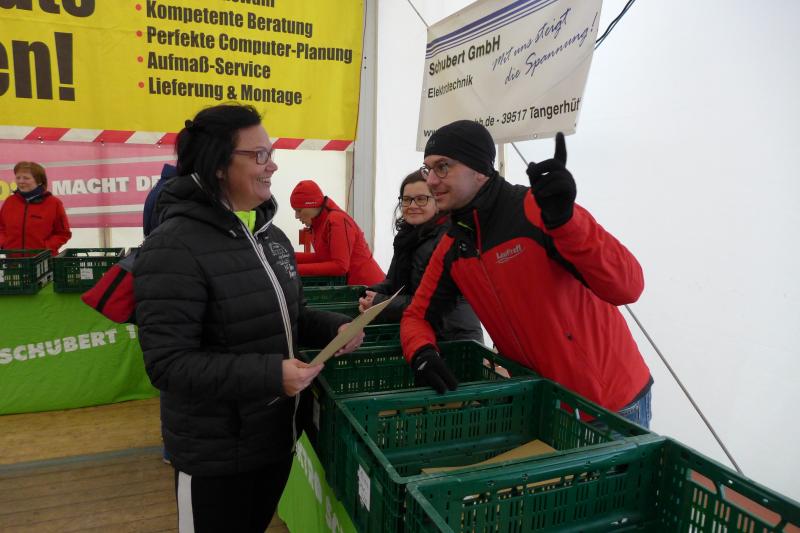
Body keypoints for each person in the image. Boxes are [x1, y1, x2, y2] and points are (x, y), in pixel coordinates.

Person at [133, 103, 364, 532]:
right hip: (215, 456)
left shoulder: (270, 236)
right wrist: (272, 374)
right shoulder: (172, 247)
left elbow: (291, 317)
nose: (272, 165)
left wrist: (336, 326)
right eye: (259, 155)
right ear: (219, 164)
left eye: (270, 153)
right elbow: (168, 364)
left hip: (274, 438)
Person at [401, 120, 653, 428]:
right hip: (542, 404)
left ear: (479, 169)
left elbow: (628, 287)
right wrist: (421, 353)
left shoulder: (538, 209)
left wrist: (567, 222)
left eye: (443, 167)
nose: (431, 181)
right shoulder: (453, 246)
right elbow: (416, 316)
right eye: (428, 169)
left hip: (611, 404)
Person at [359, 170, 483, 343]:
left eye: (421, 199)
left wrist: (381, 303)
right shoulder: (406, 238)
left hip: (453, 337)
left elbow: (433, 302)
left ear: (437, 203)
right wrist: (368, 294)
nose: (412, 205)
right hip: (423, 333)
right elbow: (395, 283)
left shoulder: (447, 240)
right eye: (407, 199)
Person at [290, 179, 385, 285]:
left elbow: (340, 266)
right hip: (354, 287)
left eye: (299, 210)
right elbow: (322, 257)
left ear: (313, 205)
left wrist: (293, 270)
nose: (297, 216)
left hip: (369, 287)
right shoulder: (319, 223)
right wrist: (288, 257)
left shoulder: (337, 220)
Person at [0, 161, 71, 255]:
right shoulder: (10, 201)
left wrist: (46, 248)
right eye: (18, 177)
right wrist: (4, 244)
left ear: (39, 181)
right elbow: (1, 228)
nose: (21, 181)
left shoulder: (54, 203)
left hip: (43, 260)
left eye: (26, 178)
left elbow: (63, 233)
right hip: (13, 260)